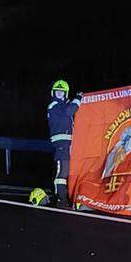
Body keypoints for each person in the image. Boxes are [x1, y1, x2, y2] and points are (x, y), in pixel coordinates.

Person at [47, 79, 82, 208]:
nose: (60, 94)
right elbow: (69, 111)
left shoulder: (63, 105)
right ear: (53, 93)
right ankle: (61, 199)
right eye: (58, 92)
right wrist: (78, 98)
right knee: (62, 172)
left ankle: (67, 197)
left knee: (67, 171)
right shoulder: (54, 105)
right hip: (61, 144)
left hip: (68, 144)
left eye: (62, 92)